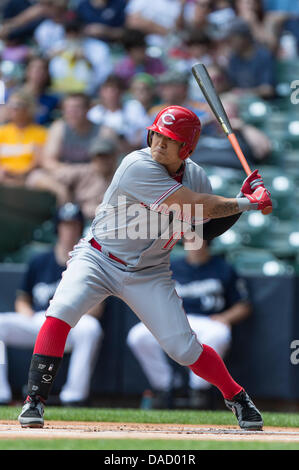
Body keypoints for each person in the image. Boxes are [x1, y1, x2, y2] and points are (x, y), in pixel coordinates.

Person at [18, 104, 271, 430]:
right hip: (99, 257)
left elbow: (202, 229)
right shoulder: (136, 164)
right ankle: (35, 400)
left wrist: (240, 201)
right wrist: (248, 202)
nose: (158, 143)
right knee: (61, 311)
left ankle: (237, 398)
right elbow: (191, 204)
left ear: (187, 148)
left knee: (184, 348)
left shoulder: (196, 176)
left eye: (169, 139)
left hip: (150, 271)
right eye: (157, 134)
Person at [0, 203, 103, 406]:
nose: (69, 230)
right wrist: (27, 314)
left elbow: (97, 308)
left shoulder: (89, 261)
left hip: (72, 324)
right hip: (39, 319)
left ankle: (74, 396)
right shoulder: (39, 260)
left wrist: (79, 316)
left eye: (74, 225)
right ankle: (1, 394)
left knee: (91, 328)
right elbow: (22, 299)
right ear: (57, 228)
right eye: (65, 225)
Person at [127, 240, 250, 408]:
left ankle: (199, 390)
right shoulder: (172, 267)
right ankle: (164, 385)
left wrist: (226, 317)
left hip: (208, 320)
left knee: (219, 334)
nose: (195, 244)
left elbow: (243, 305)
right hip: (176, 318)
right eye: (191, 239)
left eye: (199, 239)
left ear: (208, 242)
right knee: (138, 335)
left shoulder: (223, 268)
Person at [0, 91, 48, 186]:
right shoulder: (2, 131)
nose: (13, 108)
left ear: (29, 109)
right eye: (11, 105)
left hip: (29, 176)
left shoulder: (40, 132)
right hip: (4, 175)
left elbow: (38, 161)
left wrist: (20, 174)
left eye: (18, 105)